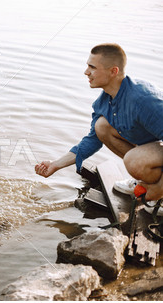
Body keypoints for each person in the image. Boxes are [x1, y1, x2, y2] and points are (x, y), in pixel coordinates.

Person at [35, 43, 163, 210]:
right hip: (154, 150)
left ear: (113, 71)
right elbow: (91, 141)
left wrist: (159, 188)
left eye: (92, 67)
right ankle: (146, 180)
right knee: (101, 126)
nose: (86, 72)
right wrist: (55, 165)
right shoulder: (103, 102)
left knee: (134, 161)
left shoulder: (143, 100)